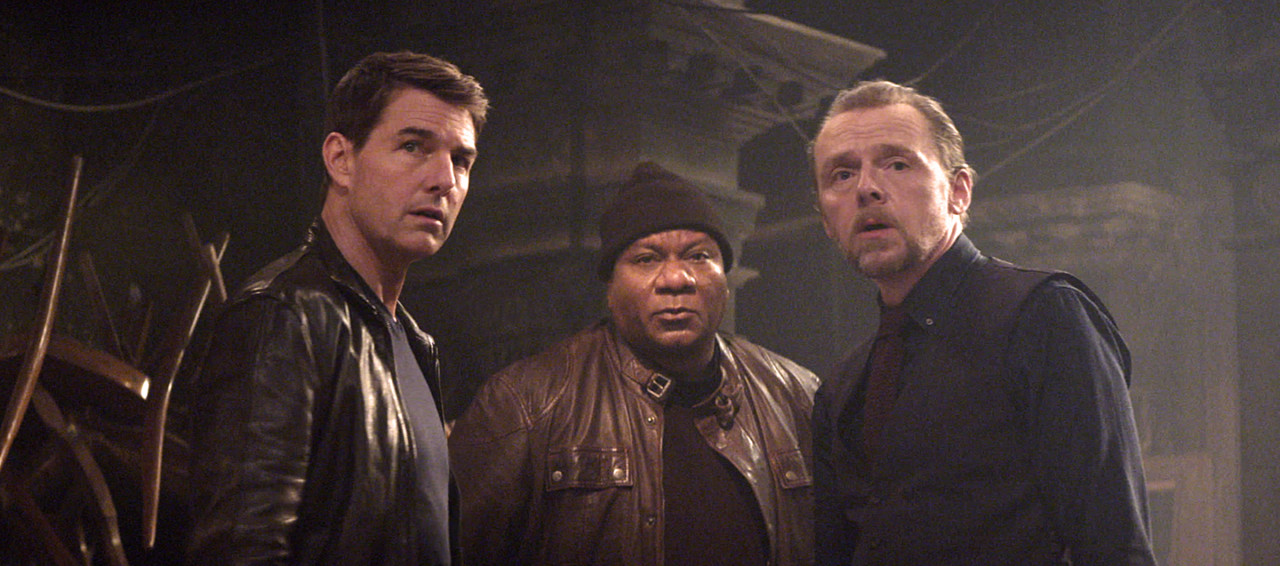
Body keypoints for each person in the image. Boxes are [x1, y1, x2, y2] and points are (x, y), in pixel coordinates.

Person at [809, 79, 1157, 565]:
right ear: (826, 220)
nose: (866, 188)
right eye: (842, 174)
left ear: (958, 191)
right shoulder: (844, 384)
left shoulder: (1042, 315)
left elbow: (1113, 541)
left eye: (897, 164)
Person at [185, 51, 487, 565]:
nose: (445, 179)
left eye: (461, 160)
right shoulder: (285, 315)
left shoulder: (411, 341)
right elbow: (239, 550)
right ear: (340, 159)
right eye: (413, 146)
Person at [448, 162, 820, 565]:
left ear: (724, 278)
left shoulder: (795, 394)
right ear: (610, 287)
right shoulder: (528, 403)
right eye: (646, 259)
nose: (676, 279)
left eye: (699, 256)